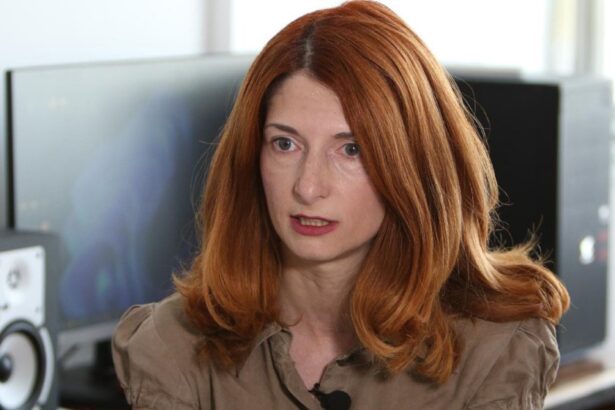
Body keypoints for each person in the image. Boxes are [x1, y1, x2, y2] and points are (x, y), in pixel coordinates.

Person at [112, 1, 570, 409]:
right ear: (252, 156)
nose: (308, 188)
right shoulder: (172, 345)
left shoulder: (494, 351)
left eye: (351, 150)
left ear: (412, 164)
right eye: (285, 144)